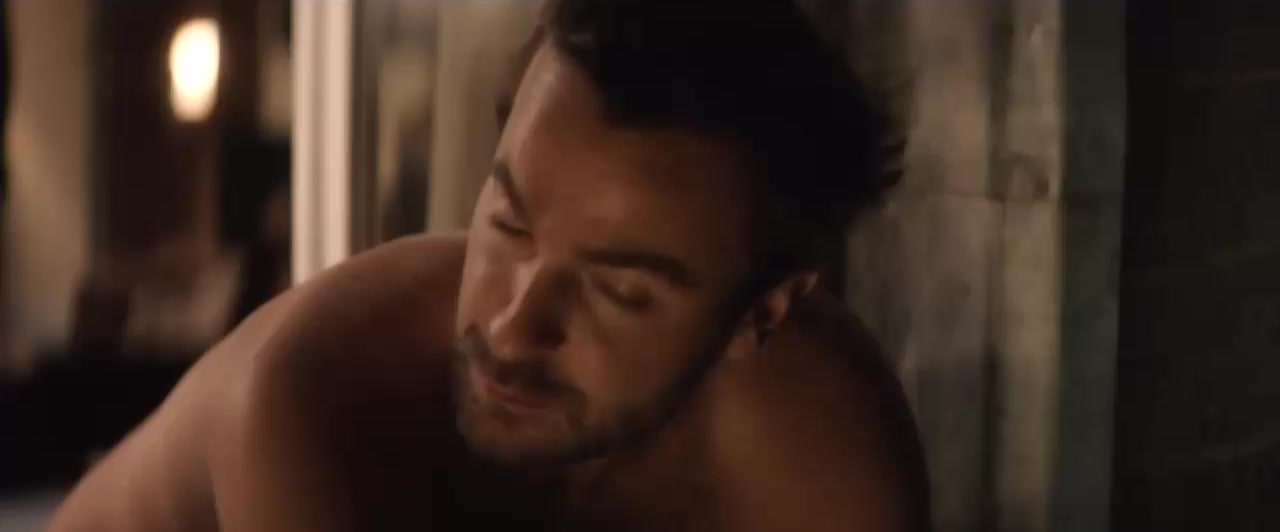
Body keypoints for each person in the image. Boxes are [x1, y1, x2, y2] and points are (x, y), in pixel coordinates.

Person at [49, 0, 929, 530]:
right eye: (509, 224)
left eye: (619, 289)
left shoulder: (825, 459)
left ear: (761, 313)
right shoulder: (314, 399)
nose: (513, 325)